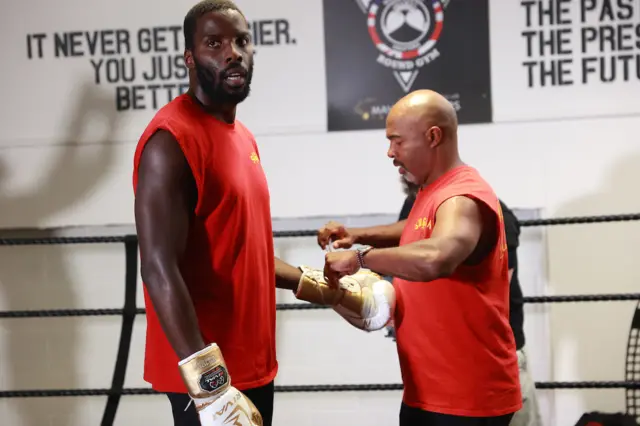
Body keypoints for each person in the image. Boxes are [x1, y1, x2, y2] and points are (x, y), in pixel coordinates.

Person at [132, 2, 394, 425]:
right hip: (205, 373)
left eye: (241, 41)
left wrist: (329, 291)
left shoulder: (242, 138)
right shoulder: (170, 141)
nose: (232, 52)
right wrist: (209, 385)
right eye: (214, 43)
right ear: (189, 58)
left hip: (251, 360)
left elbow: (244, 253)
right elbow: (158, 268)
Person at [318, 89, 523, 425]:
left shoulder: (462, 197)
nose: (390, 152)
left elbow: (437, 256)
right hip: (430, 392)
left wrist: (360, 258)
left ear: (433, 137)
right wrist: (358, 234)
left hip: (466, 400)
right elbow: (414, 228)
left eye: (397, 141)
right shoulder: (433, 190)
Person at [396, 179, 542, 426]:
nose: (393, 154)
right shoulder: (416, 206)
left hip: (488, 365)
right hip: (439, 370)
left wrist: (364, 258)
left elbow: (497, 289)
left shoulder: (481, 209)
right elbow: (407, 265)